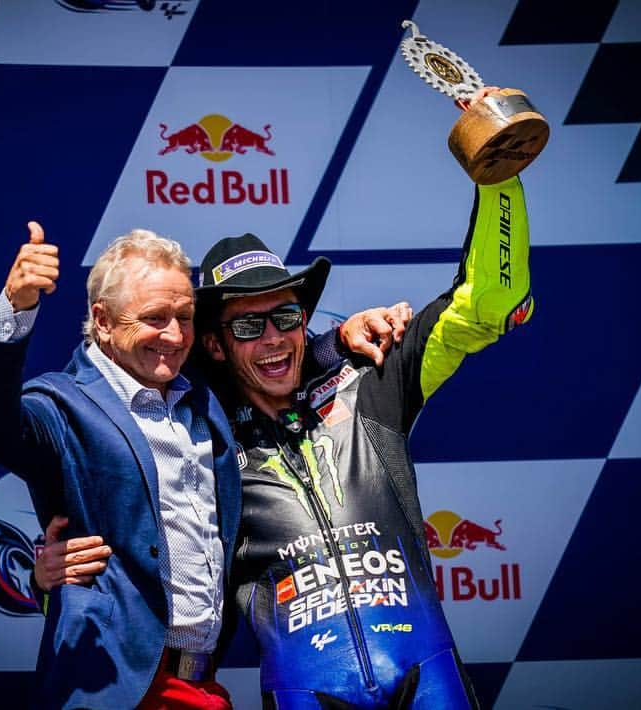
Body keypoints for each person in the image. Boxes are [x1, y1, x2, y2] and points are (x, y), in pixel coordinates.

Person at [34, 88, 534, 709]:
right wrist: (54, 570)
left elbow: (488, 305)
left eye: (288, 316)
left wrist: (500, 182)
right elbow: (100, 435)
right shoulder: (196, 438)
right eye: (248, 325)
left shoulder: (372, 377)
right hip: (305, 693)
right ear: (213, 345)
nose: (274, 338)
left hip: (428, 677)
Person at [0, 223, 412, 709]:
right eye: (155, 317)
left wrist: (337, 344)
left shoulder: (199, 394)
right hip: (111, 687)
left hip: (202, 685)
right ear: (104, 321)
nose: (174, 335)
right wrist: (16, 308)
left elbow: (265, 351)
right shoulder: (64, 404)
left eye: (185, 316)